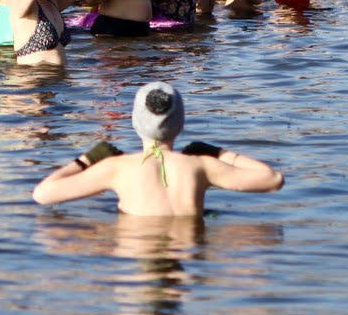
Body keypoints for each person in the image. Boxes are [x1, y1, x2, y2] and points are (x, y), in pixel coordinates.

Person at [32, 83, 282, 220]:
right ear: (181, 124)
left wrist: (88, 159)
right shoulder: (200, 166)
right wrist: (216, 152)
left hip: (135, 245)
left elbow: (43, 195)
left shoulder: (115, 169)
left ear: (135, 122)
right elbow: (272, 179)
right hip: (189, 253)